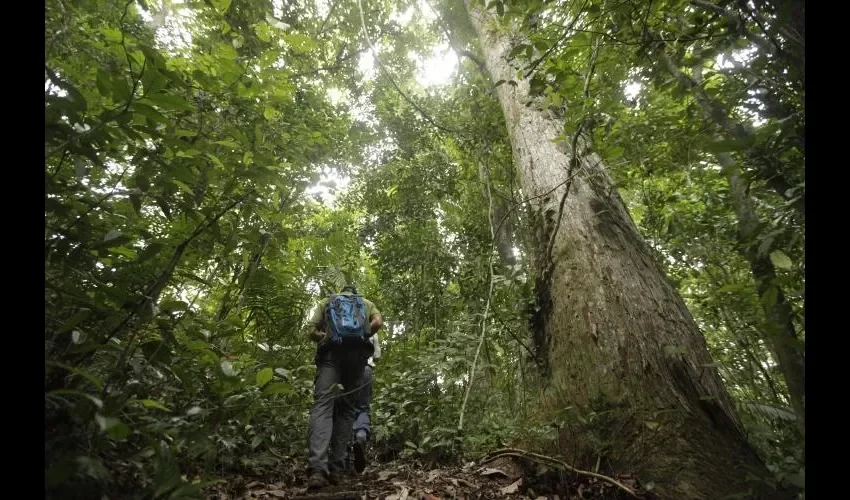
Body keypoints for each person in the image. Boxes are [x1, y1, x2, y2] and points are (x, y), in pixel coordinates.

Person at [303, 284, 383, 489]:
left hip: (330, 356)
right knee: (347, 411)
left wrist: (327, 337)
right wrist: (362, 335)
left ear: (341, 292)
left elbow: (311, 329)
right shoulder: (365, 303)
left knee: (323, 406)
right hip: (356, 359)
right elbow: (378, 322)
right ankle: (337, 469)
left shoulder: (328, 301)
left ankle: (318, 470)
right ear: (355, 293)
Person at [349, 332, 380, 474]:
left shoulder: (344, 321)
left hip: (347, 370)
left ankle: (344, 453)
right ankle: (360, 436)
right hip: (366, 369)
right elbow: (377, 356)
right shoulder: (372, 329)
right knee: (362, 408)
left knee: (346, 410)